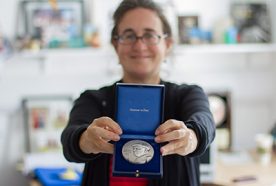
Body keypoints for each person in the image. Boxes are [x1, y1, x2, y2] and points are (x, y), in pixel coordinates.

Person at [61, 0, 215, 185]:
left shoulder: (187, 95)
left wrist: (192, 136)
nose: (139, 46)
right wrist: (85, 139)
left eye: (149, 35)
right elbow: (70, 140)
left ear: (167, 44)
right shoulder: (93, 100)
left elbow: (205, 122)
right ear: (115, 45)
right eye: (129, 35)